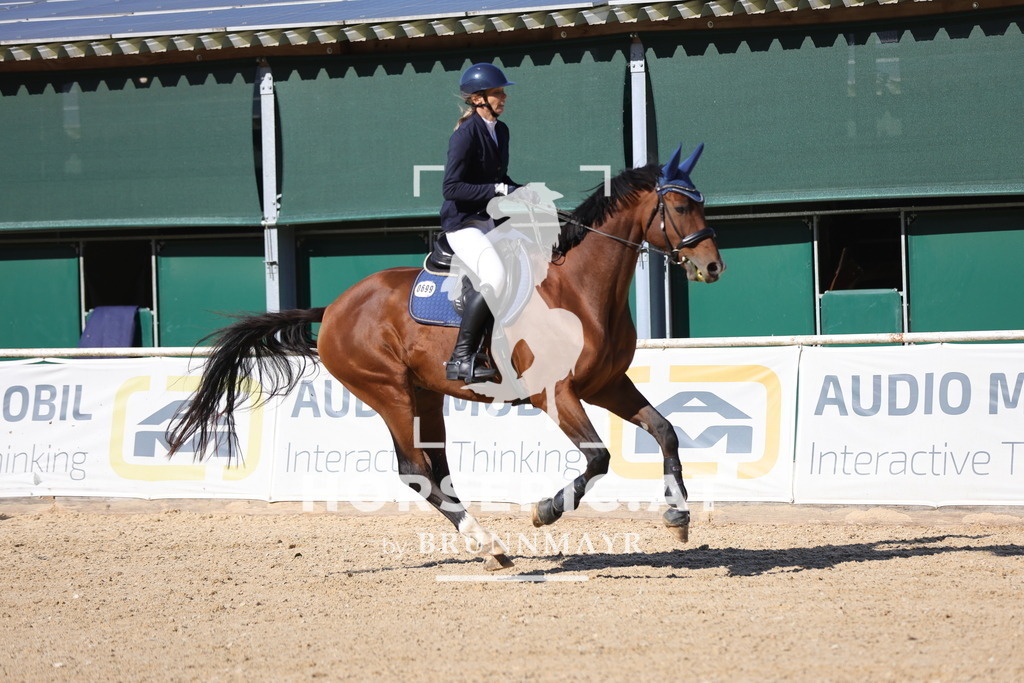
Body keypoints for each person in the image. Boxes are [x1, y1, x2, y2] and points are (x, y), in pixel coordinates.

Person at [440, 63, 520, 384]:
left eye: (502, 92)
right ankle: (461, 357)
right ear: (477, 99)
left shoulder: (501, 130)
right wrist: (499, 190)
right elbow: (451, 188)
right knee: (496, 275)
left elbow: (497, 178)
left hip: (490, 219)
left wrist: (521, 190)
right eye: (497, 93)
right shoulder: (465, 134)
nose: (503, 98)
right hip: (462, 223)